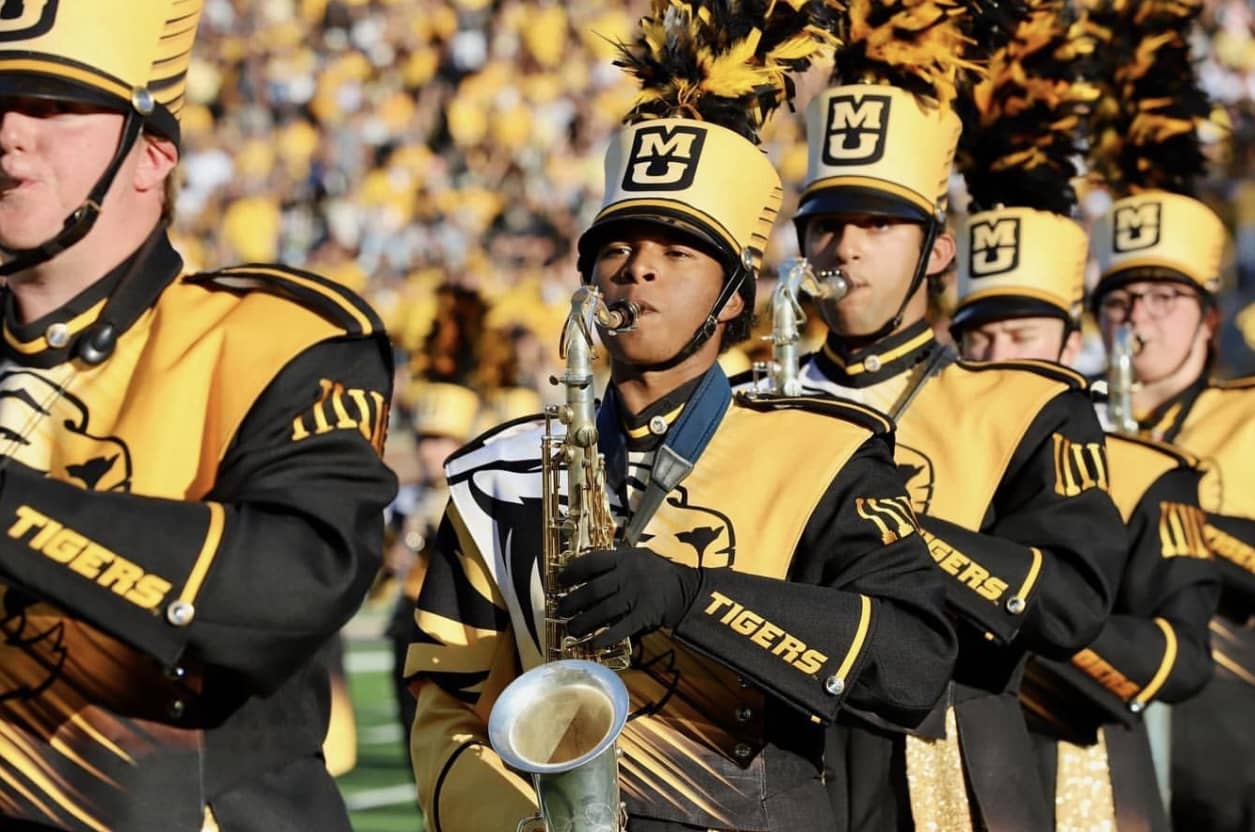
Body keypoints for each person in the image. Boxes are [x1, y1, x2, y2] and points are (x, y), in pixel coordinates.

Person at [404, 3, 957, 830]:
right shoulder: (496, 478)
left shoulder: (823, 452)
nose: (638, 275)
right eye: (617, 250)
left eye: (677, 254)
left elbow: (913, 663)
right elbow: (447, 710)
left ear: (735, 297)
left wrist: (689, 597)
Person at [0, 2, 397, 830]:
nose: (8, 131)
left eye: (52, 106)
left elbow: (292, 584)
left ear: (151, 156)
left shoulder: (276, 335)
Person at [786, 2, 1128, 827]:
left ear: (937, 252)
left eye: (878, 224)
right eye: (826, 226)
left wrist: (896, 537)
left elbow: (1068, 605)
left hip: (957, 778)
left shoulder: (1024, 405)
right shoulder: (753, 397)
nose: (847, 248)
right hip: (783, 773)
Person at [947, 7, 1219, 825]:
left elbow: (1178, 657)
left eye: (1023, 335)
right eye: (978, 336)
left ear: (1069, 343)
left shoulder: (1140, 465)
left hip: (1087, 778)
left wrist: (1023, 621)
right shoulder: (912, 446)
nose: (998, 357)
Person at [1081, 2, 1255, 826]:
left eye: (1163, 297)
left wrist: (1170, 525)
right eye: (1122, 299)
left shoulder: (1248, 417)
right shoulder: (1072, 424)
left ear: (1208, 318)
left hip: (1229, 744)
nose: (1139, 319)